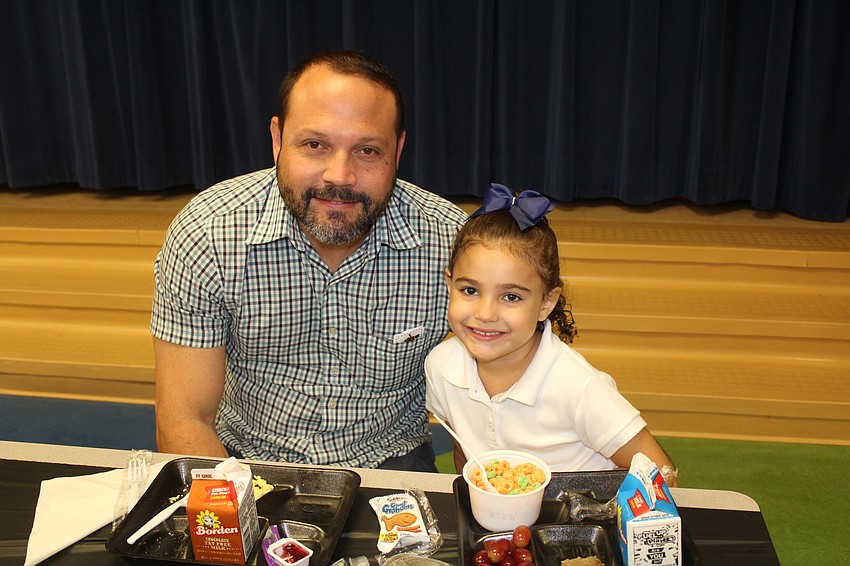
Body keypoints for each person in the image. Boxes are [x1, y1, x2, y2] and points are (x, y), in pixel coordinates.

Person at [151, 50, 467, 471]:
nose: (340, 175)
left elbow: (496, 399)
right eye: (315, 144)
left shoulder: (449, 242)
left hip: (393, 455)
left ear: (398, 148)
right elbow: (184, 419)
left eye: (368, 150)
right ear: (278, 139)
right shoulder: (208, 233)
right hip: (242, 458)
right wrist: (238, 515)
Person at [425, 184, 677, 484]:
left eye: (511, 297)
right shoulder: (440, 367)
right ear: (449, 284)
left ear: (546, 303)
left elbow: (662, 475)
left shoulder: (580, 388)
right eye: (470, 290)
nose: (485, 314)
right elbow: (465, 455)